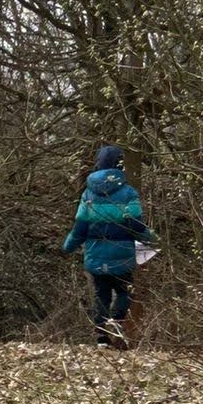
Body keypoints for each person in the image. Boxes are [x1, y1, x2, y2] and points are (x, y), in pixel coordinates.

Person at [62, 144, 153, 347]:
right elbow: (135, 224)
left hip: (95, 254)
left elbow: (80, 227)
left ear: (98, 164)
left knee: (101, 294)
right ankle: (117, 322)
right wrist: (150, 238)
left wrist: (68, 246)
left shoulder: (88, 194)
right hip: (122, 256)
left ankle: (101, 336)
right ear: (120, 165)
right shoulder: (128, 193)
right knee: (124, 291)